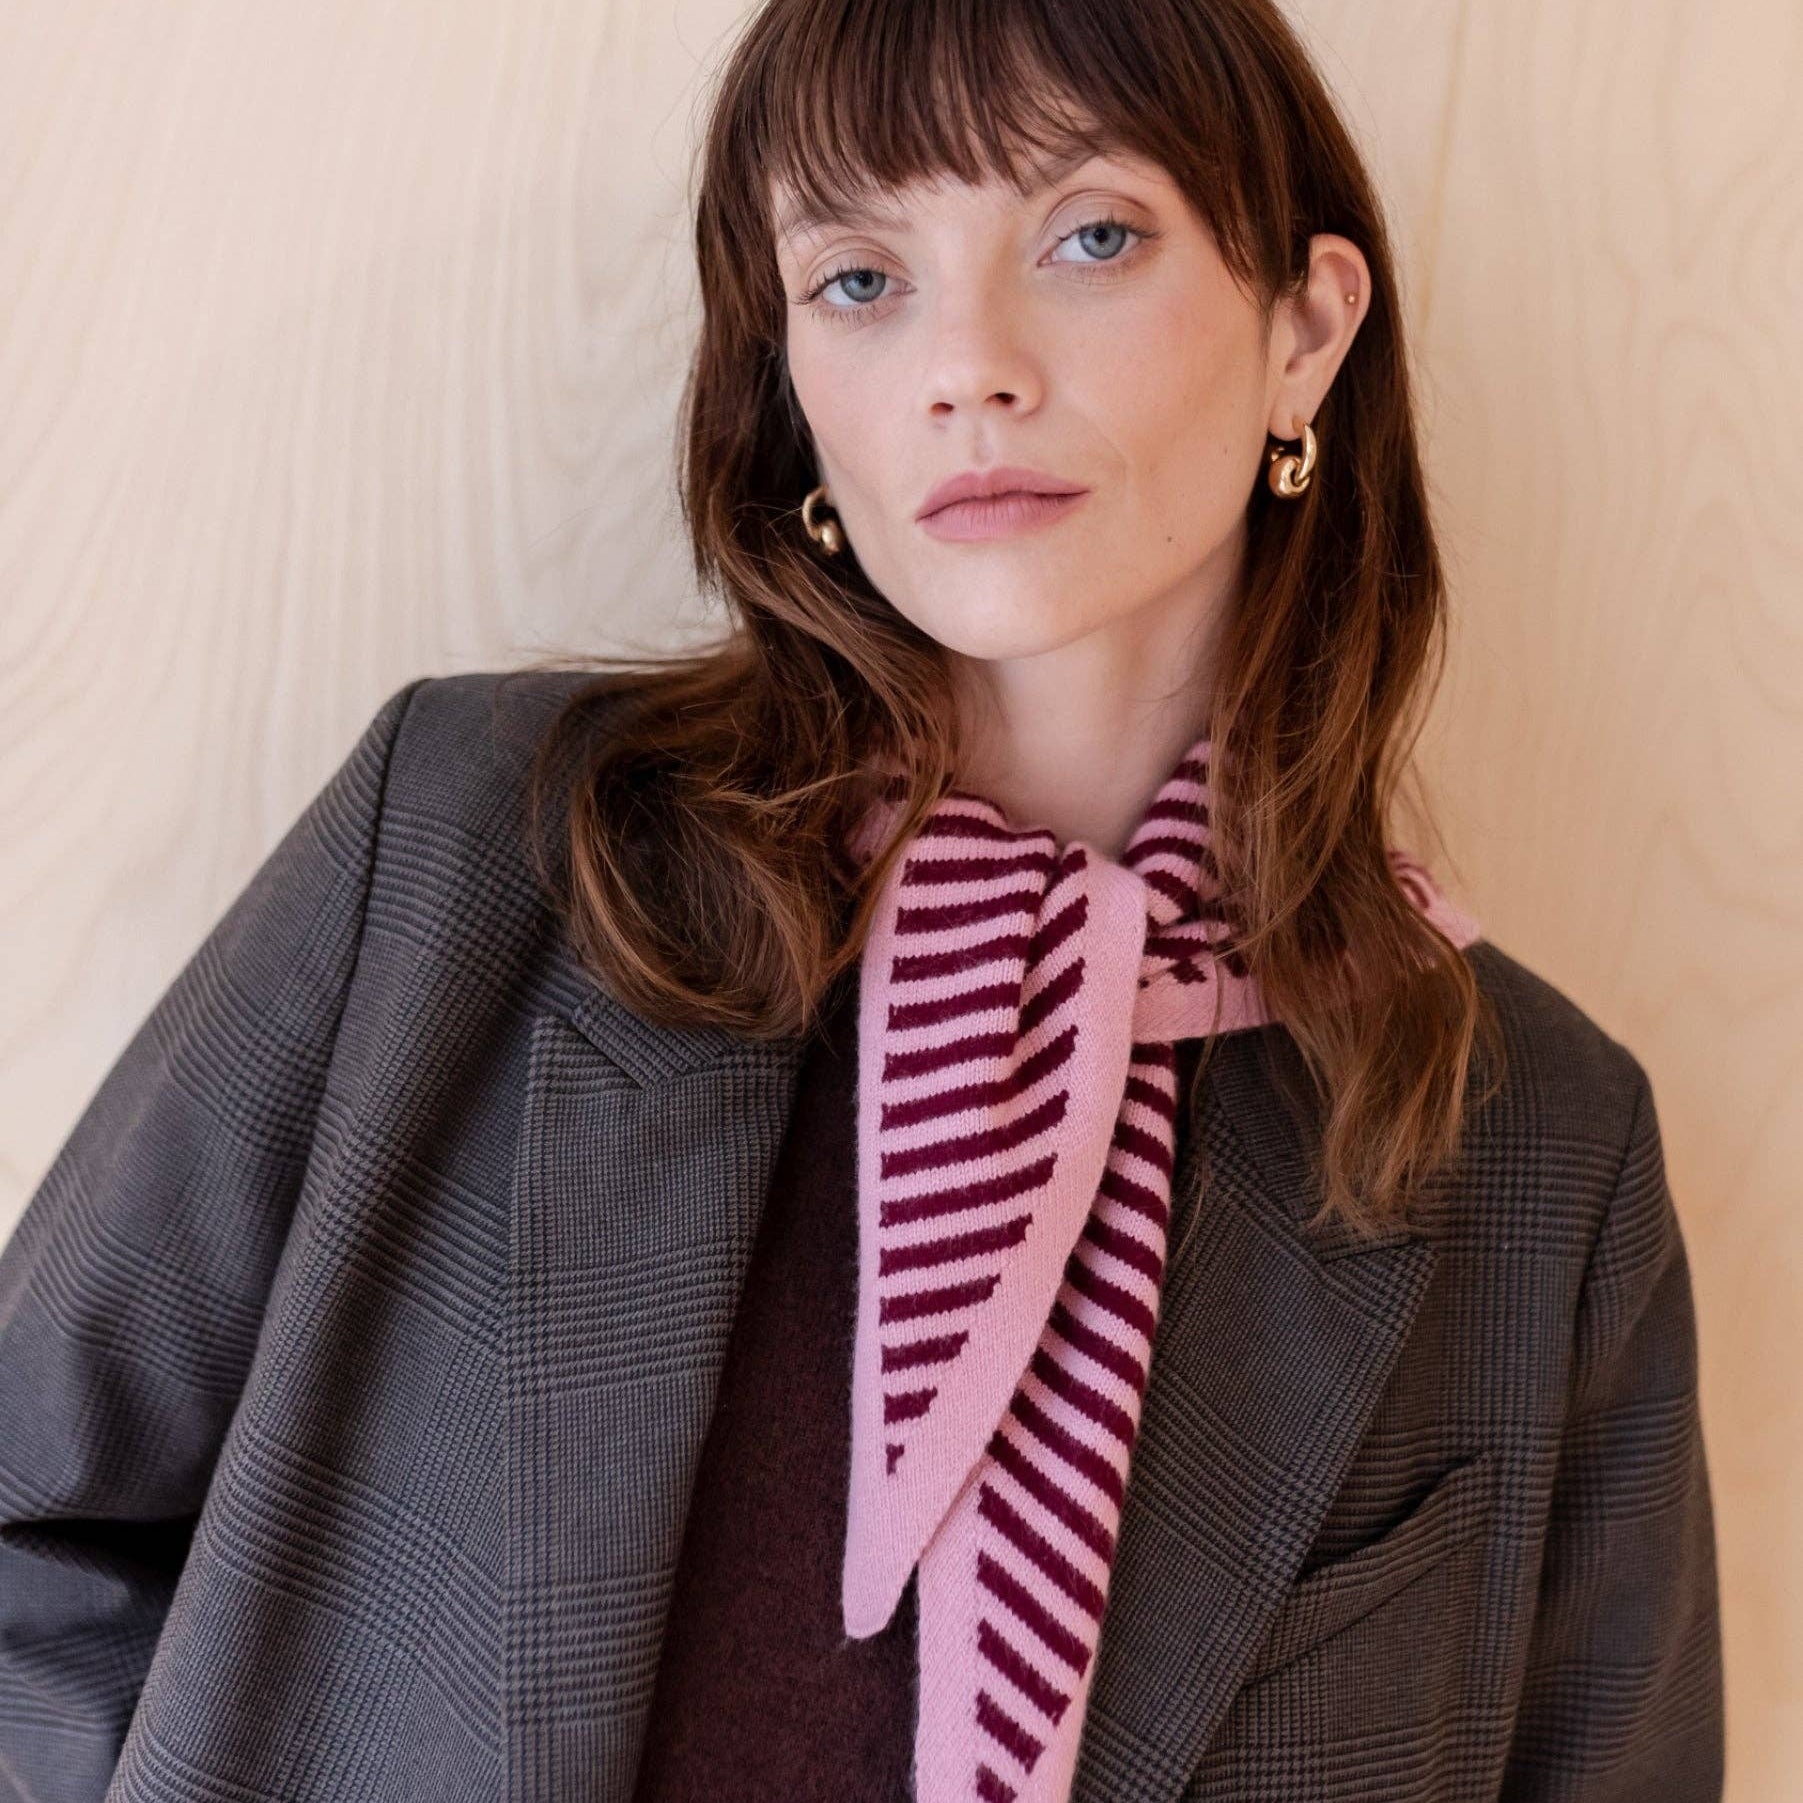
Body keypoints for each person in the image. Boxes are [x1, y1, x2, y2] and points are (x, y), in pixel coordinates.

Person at [0, 1, 1723, 1800]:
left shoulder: (1534, 1151)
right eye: (857, 278)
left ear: (1305, 333)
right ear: (792, 380)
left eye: (1091, 237)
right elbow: (31, 1518)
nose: (965, 365)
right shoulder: (468, 861)